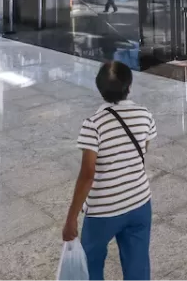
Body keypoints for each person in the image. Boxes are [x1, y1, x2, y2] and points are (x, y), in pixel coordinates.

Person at [63, 61, 156, 281]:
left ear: (100, 90)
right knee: (138, 264)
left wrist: (71, 218)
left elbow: (87, 174)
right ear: (129, 87)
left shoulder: (93, 124)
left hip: (103, 210)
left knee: (91, 264)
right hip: (140, 202)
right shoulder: (144, 115)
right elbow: (142, 153)